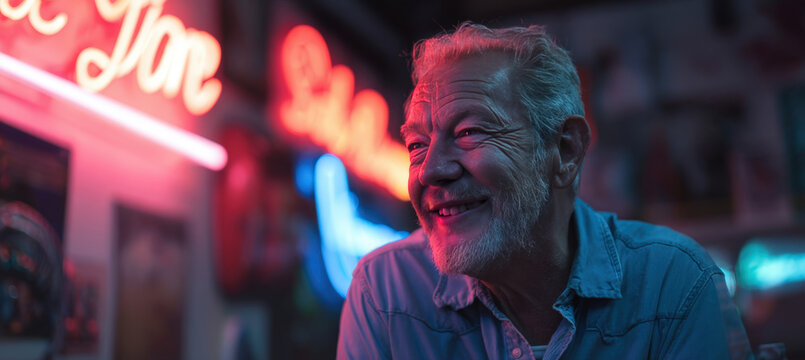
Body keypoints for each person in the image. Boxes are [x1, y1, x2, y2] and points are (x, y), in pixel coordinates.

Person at [337, 22, 753, 359]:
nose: (429, 171)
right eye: (416, 145)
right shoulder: (386, 290)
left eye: (468, 132)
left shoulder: (671, 284)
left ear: (564, 151)